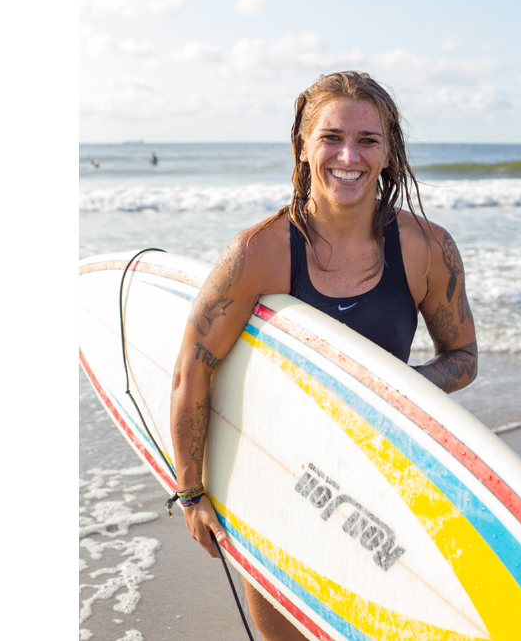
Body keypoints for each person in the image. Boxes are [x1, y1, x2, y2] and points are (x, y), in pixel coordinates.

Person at [169, 71, 478, 641]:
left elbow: (462, 356)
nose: (348, 155)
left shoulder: (427, 248)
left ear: (389, 154)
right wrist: (191, 490)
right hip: (277, 480)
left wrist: (387, 390)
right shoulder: (258, 251)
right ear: (303, 145)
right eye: (331, 137)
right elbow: (193, 366)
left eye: (368, 140)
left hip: (381, 483)